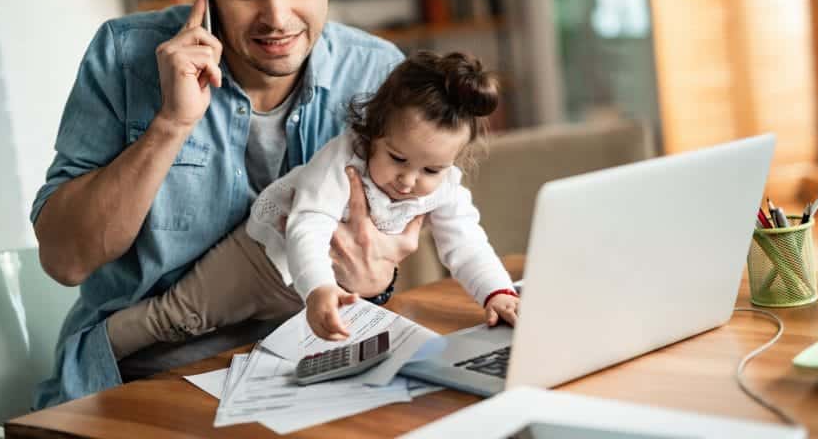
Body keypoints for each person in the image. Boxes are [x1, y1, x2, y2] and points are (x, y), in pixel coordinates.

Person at [30, 0, 420, 409]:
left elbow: (388, 252)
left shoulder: (378, 73)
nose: (277, 17)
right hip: (146, 375)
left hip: (312, 363)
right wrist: (171, 124)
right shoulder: (124, 58)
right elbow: (65, 260)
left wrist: (378, 277)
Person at [107, 51, 520, 357]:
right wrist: (320, 288)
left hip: (316, 290)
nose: (409, 182)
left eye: (431, 169)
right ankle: (101, 346)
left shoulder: (444, 185)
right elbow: (308, 225)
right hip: (261, 260)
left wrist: (496, 293)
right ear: (373, 131)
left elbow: (466, 241)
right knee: (178, 318)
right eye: (397, 159)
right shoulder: (343, 159)